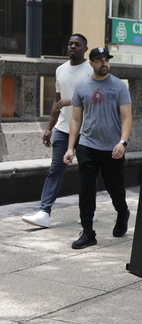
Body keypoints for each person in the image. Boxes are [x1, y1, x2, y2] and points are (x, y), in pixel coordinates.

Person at [21, 34, 95, 229]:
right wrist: (49, 127)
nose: (73, 47)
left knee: (87, 171)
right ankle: (44, 212)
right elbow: (57, 101)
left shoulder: (91, 69)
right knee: (55, 169)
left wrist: (73, 100)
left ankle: (89, 211)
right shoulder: (60, 70)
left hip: (86, 129)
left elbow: (97, 98)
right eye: (70, 44)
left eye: (77, 44)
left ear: (85, 49)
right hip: (63, 128)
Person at [63, 47, 132, 249]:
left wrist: (123, 143)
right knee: (86, 190)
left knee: (115, 188)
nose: (104, 63)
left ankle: (122, 213)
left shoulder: (119, 86)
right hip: (87, 146)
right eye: (99, 60)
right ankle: (88, 233)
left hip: (113, 148)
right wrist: (70, 148)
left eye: (106, 59)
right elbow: (76, 120)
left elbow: (127, 117)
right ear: (91, 63)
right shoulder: (82, 86)